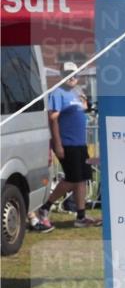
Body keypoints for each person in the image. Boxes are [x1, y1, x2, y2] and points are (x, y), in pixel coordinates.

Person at [39, 63, 102, 228]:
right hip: (67, 143)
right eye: (68, 74)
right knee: (72, 179)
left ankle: (80, 217)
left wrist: (85, 104)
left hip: (80, 143)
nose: (72, 77)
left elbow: (84, 108)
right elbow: (53, 119)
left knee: (81, 179)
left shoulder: (77, 92)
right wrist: (58, 144)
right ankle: (45, 208)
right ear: (62, 75)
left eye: (75, 74)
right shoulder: (57, 93)